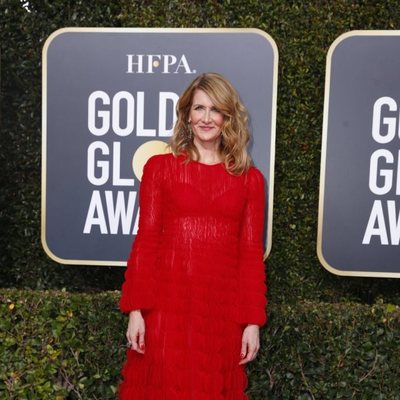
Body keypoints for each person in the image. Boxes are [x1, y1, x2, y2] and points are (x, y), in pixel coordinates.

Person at [118, 72, 268, 399]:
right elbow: (147, 240)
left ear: (228, 118)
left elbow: (250, 254)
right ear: (187, 114)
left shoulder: (250, 180)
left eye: (215, 110)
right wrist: (136, 310)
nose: (206, 118)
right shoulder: (160, 169)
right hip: (166, 310)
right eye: (199, 108)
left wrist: (252, 321)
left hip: (221, 316)